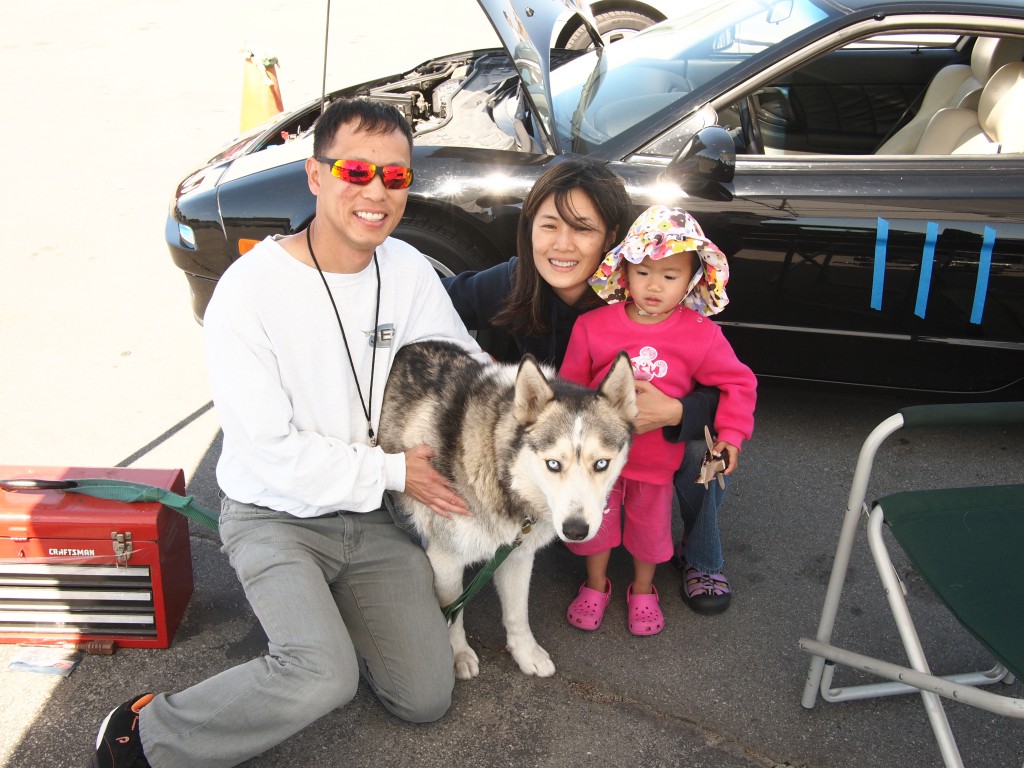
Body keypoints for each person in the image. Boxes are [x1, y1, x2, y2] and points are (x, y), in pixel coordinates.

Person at [90, 99, 484, 768]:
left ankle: (333, 627)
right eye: (356, 170)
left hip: (374, 515)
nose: (376, 192)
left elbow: (464, 369)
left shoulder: (409, 269)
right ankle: (149, 731)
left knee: (425, 696)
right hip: (276, 514)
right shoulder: (247, 293)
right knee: (320, 676)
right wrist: (396, 471)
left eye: (395, 177)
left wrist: (553, 420)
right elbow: (269, 453)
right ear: (314, 176)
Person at [443, 160, 736, 614]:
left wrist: (678, 411)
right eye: (548, 226)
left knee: (704, 446)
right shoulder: (510, 281)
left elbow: (728, 388)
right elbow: (429, 303)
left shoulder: (643, 293)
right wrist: (470, 358)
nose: (562, 245)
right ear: (528, 230)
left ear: (611, 235)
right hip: (556, 449)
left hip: (640, 435)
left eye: (582, 229)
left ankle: (702, 554)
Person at [559, 205, 757, 635]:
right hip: (598, 464)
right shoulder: (592, 327)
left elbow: (738, 384)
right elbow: (569, 389)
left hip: (657, 462)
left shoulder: (701, 333)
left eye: (670, 276)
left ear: (691, 282)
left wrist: (733, 436)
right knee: (597, 526)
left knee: (650, 532)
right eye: (644, 272)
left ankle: (643, 590)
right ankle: (596, 584)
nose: (655, 285)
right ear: (624, 272)